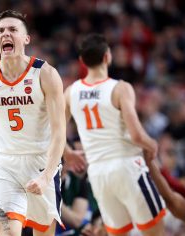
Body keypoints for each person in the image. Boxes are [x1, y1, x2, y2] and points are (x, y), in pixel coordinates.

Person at [0, 10, 66, 236]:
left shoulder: (46, 74)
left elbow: (59, 131)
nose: (6, 34)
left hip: (40, 163)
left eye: (13, 30)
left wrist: (46, 176)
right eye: (1, 31)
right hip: (5, 165)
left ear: (26, 38)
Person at [64, 34, 165, 236]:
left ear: (82, 61)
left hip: (99, 174)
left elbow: (54, 131)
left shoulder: (71, 91)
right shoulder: (120, 88)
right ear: (107, 57)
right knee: (156, 232)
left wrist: (67, 152)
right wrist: (152, 144)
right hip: (126, 166)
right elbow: (137, 135)